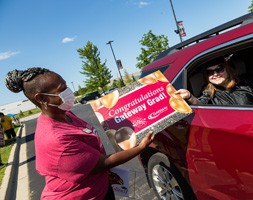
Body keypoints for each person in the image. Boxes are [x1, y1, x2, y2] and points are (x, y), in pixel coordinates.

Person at [5, 67, 154, 200]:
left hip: (99, 187)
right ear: (41, 98)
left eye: (66, 86)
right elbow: (104, 163)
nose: (69, 92)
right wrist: (140, 147)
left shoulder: (66, 114)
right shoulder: (56, 138)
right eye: (61, 89)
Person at [175, 58, 253, 105]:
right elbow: (201, 104)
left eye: (219, 69)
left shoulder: (245, 80)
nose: (215, 74)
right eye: (210, 72)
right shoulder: (208, 91)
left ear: (227, 69)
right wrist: (190, 97)